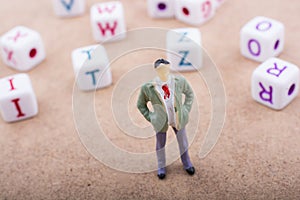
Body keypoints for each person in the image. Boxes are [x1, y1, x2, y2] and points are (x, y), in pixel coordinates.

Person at [137, 58, 195, 180]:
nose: (164, 72)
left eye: (166, 69)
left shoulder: (179, 81)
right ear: (156, 70)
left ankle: (187, 163)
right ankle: (161, 166)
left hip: (177, 118)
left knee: (183, 142)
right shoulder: (148, 88)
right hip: (160, 121)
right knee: (160, 145)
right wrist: (151, 117)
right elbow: (140, 104)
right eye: (160, 69)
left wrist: (185, 109)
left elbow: (189, 94)